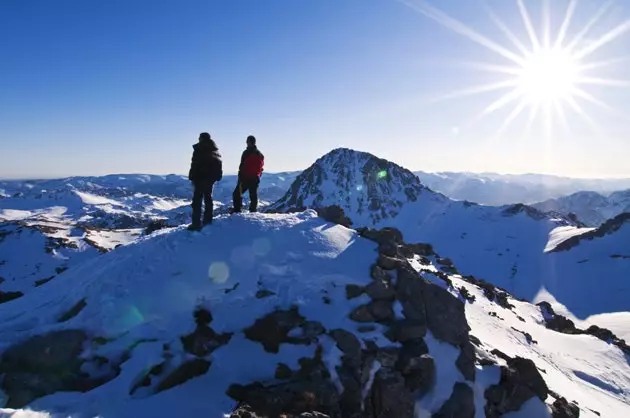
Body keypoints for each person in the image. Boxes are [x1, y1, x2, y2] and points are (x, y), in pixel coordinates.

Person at [188, 132, 222, 230]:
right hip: (210, 179)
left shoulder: (199, 149)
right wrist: (217, 176)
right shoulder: (215, 151)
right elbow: (219, 165)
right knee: (208, 198)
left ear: (201, 139)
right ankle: (208, 220)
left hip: (200, 178)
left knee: (197, 201)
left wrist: (192, 176)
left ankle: (196, 223)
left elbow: (195, 164)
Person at [231, 135, 264, 213]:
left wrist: (240, 176)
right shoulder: (260, 154)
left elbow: (242, 166)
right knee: (253, 196)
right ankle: (253, 211)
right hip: (255, 178)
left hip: (245, 178)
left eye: (247, 141)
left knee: (237, 194)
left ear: (249, 142)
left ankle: (237, 210)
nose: (246, 142)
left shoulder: (246, 152)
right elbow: (261, 167)